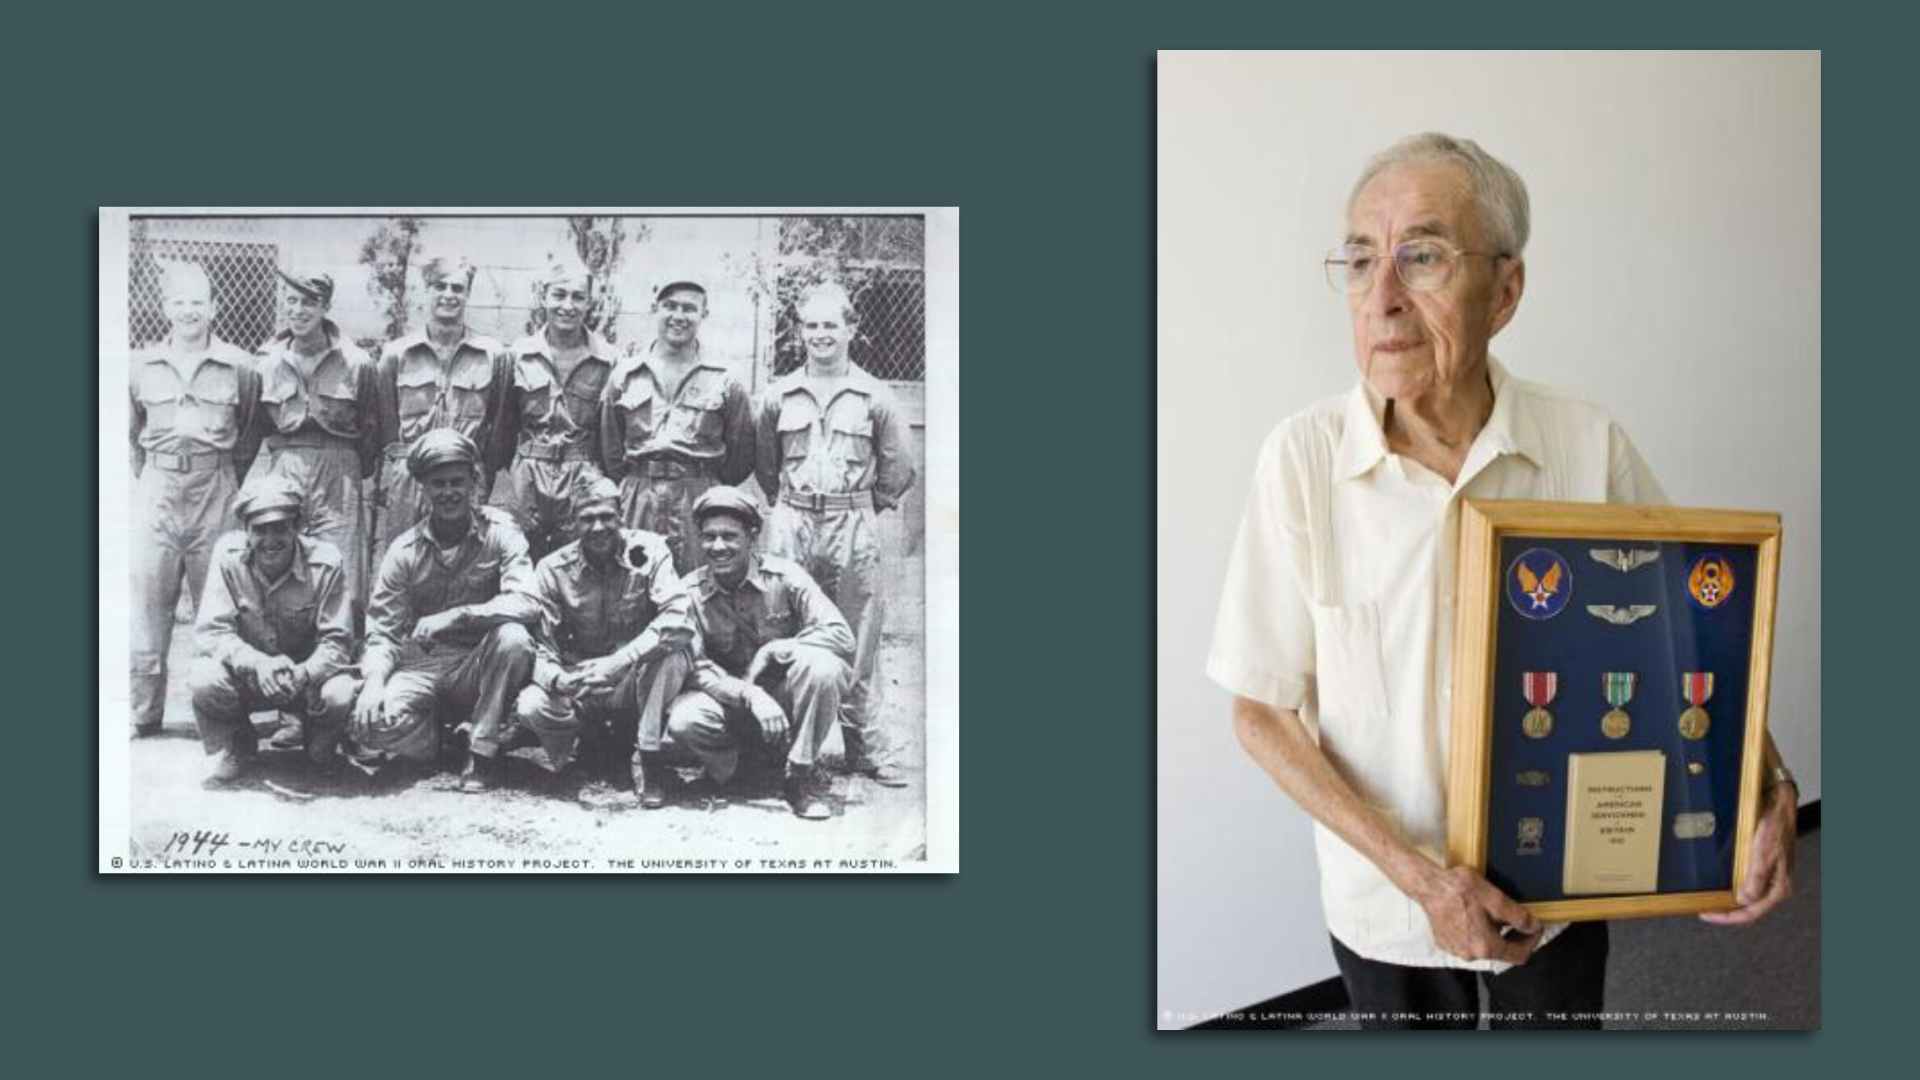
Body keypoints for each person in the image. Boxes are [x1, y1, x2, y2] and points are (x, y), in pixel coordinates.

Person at [1208, 133, 1800, 1029]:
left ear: (1507, 290)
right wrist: (1419, 879)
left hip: (1558, 883)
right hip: (1386, 905)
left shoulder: (1584, 443)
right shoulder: (1302, 460)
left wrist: (1769, 784)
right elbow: (1259, 712)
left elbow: (1695, 632)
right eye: (1361, 260)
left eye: (1423, 256)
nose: (1383, 296)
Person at [754, 283, 916, 787]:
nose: (821, 334)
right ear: (799, 332)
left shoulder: (876, 396)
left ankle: (863, 745)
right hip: (792, 518)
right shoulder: (778, 395)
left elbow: (899, 467)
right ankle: (775, 744)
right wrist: (790, 505)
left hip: (852, 522)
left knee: (858, 631)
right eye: (811, 325)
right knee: (780, 622)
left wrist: (862, 505)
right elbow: (765, 464)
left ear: (851, 329)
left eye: (831, 324)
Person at [350, 429, 539, 793]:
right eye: (438, 484)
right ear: (423, 489)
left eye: (457, 482)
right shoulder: (404, 550)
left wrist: (459, 615)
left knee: (514, 639)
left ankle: (481, 751)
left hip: (477, 665)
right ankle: (437, 735)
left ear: (474, 482)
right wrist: (373, 683)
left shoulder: (501, 533)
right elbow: (383, 631)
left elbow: (528, 602)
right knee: (371, 725)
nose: (449, 492)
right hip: (423, 664)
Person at [247, 268, 380, 749]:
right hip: (286, 467)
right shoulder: (266, 361)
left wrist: (346, 468)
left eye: (309, 300)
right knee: (286, 585)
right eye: (292, 299)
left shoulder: (357, 361)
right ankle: (292, 711)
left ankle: (344, 710)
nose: (298, 309)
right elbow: (253, 426)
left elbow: (374, 430)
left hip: (339, 469)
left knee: (345, 586)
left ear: (326, 306)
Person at [665, 487, 855, 820]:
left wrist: (774, 648)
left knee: (825, 668)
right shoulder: (689, 592)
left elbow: (841, 636)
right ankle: (740, 772)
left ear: (752, 537)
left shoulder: (786, 577)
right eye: (709, 537)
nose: (718, 547)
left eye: (729, 536)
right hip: (728, 701)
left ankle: (799, 774)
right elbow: (696, 667)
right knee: (684, 719)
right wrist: (749, 694)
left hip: (783, 698)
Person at [129, 262, 262, 736]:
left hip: (216, 490)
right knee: (148, 604)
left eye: (197, 302)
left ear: (214, 308)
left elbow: (250, 432)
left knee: (220, 604)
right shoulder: (141, 365)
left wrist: (221, 475)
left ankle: (220, 716)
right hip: (158, 491)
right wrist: (158, 475)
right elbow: (131, 435)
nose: (188, 311)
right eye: (179, 301)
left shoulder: (240, 365)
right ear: (165, 307)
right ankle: (144, 712)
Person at [513, 478, 694, 807]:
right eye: (587, 518)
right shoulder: (552, 569)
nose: (598, 527)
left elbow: (678, 618)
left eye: (607, 516)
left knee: (673, 653)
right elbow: (538, 644)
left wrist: (619, 662)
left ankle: (649, 758)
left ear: (622, 515)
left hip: (633, 677)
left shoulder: (649, 550)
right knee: (531, 705)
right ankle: (584, 748)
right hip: (582, 682)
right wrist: (560, 679)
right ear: (572, 522)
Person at [185, 476, 357, 787]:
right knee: (203, 677)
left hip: (305, 682)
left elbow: (338, 642)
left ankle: (319, 746)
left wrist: (305, 673)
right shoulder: (228, 557)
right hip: (250, 677)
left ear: (297, 527)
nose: (270, 539)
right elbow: (213, 631)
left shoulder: (326, 562)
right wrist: (258, 663)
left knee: (341, 691)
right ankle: (239, 743)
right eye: (259, 529)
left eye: (279, 528)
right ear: (245, 531)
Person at [600, 274, 754, 572]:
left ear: (704, 314)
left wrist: (705, 481)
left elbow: (742, 454)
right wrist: (636, 482)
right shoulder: (626, 375)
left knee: (699, 580)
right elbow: (610, 448)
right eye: (670, 306)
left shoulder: (724, 377)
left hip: (698, 495)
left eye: (689, 308)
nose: (678, 316)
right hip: (639, 496)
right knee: (634, 579)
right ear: (654, 309)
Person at [369, 254, 513, 570]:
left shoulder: (493, 355)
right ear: (427, 291)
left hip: (464, 477)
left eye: (457, 288)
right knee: (405, 565)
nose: (449, 294)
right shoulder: (397, 354)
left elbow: (500, 427)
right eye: (440, 286)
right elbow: (384, 425)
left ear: (468, 294)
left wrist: (479, 473)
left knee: (466, 568)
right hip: (411, 478)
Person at [495, 258, 620, 562]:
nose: (568, 306)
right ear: (543, 297)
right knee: (520, 559)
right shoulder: (518, 355)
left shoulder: (608, 359)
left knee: (578, 562)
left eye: (578, 297)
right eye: (559, 295)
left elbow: (612, 433)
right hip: (528, 475)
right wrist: (515, 474)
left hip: (583, 473)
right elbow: (503, 425)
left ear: (589, 302)